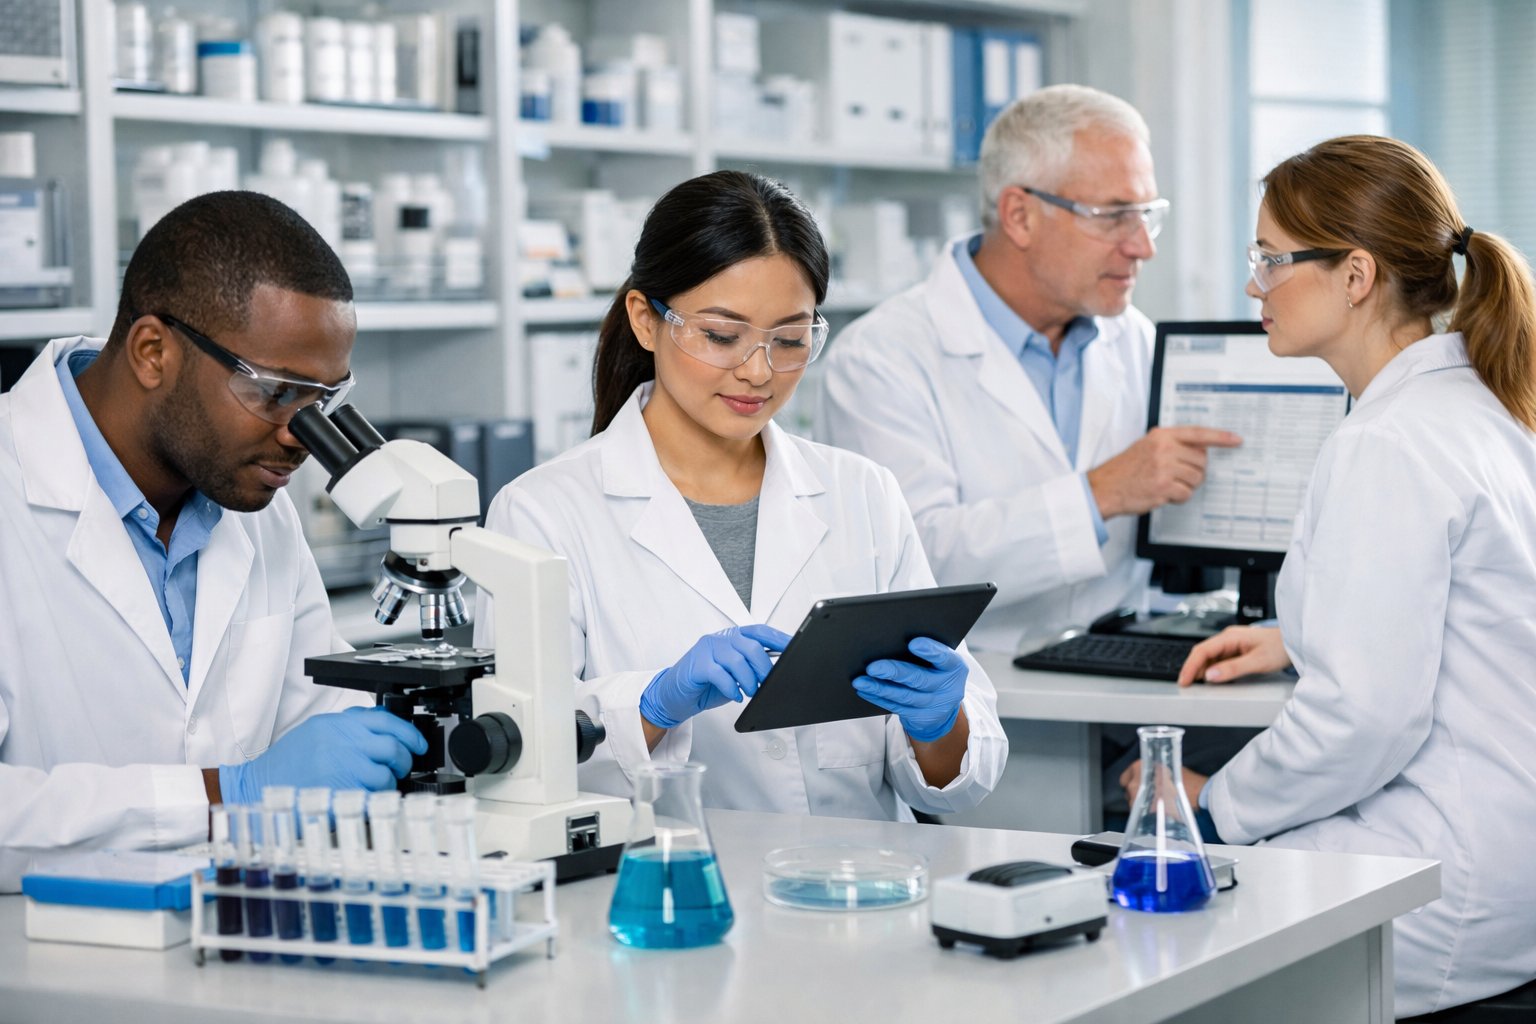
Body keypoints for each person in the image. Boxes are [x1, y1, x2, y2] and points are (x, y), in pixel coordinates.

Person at [1125, 136, 1536, 1016]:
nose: (1253, 286)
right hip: (1509, 856)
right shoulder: (1481, 402)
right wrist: (1299, 634)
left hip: (1446, 885)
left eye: (1271, 259)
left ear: (1356, 276)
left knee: (1143, 945)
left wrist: (1211, 807)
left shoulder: (1388, 442)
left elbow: (1363, 719)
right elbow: (1484, 608)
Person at [474, 170, 1006, 820]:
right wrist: (653, 704)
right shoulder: (541, 513)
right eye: (722, 336)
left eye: (789, 340)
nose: (758, 371)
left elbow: (951, 778)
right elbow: (516, 765)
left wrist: (938, 722)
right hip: (664, 892)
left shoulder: (861, 494)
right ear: (646, 320)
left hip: (855, 892)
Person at [0, 191, 426, 892]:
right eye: (275, 393)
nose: (301, 439)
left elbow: (310, 710)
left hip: (234, 956)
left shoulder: (257, 504)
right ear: (151, 352)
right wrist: (225, 796)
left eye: (325, 402)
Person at [817, 84, 1241, 655]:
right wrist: (1100, 495)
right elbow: (913, 560)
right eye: (1114, 216)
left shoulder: (1133, 338)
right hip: (979, 703)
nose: (1142, 247)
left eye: (1147, 216)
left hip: (1124, 680)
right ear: (1019, 215)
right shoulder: (881, 357)